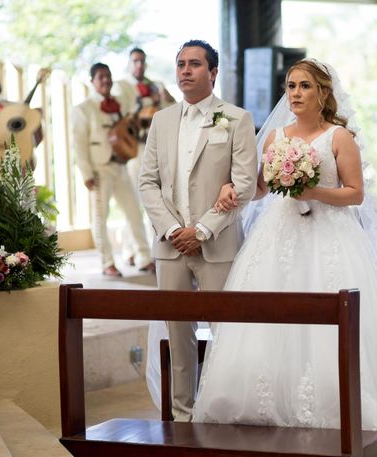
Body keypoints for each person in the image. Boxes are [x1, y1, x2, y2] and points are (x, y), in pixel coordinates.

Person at [192, 59, 377, 457]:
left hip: (332, 236)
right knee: (269, 320)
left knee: (336, 324)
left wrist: (313, 192)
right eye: (291, 86)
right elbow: (260, 188)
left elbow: (355, 193)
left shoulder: (339, 136)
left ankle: (341, 412)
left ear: (323, 94)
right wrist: (232, 188)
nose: (295, 93)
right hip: (279, 237)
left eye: (305, 87)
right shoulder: (275, 135)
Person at [139, 40, 258, 421]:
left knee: (227, 334)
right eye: (180, 64)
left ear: (213, 72)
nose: (185, 71)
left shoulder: (236, 118)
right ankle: (183, 416)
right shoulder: (161, 120)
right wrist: (174, 229)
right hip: (170, 247)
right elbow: (147, 183)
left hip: (218, 244)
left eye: (194, 64)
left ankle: (225, 413)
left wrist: (202, 229)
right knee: (177, 337)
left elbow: (243, 184)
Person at [72, 62, 155, 277]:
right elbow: (78, 144)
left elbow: (132, 120)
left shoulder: (120, 103)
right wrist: (86, 174)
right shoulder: (83, 108)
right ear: (92, 82)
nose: (106, 80)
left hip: (122, 166)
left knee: (134, 211)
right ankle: (106, 262)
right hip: (99, 170)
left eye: (108, 75)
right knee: (101, 217)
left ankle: (144, 257)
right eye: (101, 76)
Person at [116, 47, 177, 267]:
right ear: (129, 63)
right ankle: (131, 248)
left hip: (154, 145)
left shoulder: (156, 85)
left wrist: (165, 98)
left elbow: (172, 109)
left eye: (142, 61)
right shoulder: (121, 87)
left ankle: (135, 248)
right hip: (134, 146)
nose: (139, 65)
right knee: (135, 197)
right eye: (135, 61)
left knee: (151, 197)